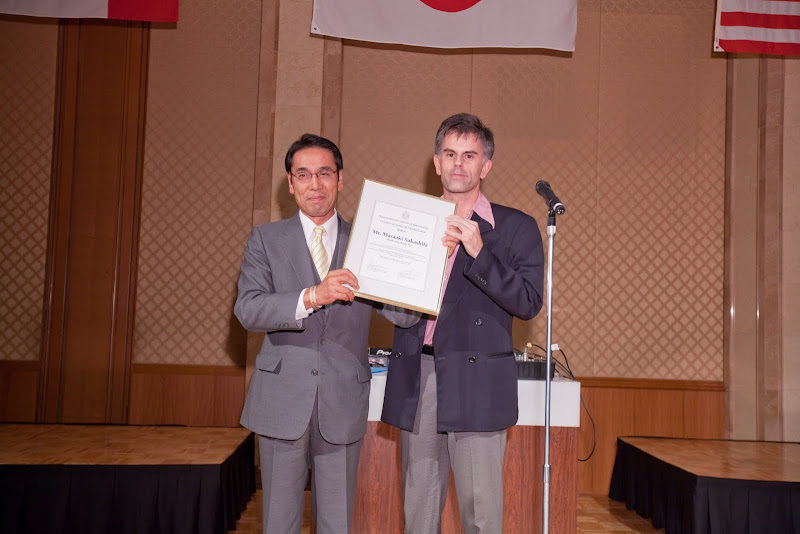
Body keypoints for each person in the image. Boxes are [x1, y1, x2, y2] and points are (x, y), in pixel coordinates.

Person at [381, 113, 545, 533]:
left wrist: (478, 251)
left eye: (469, 155)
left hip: (478, 382)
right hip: (420, 375)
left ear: (485, 166)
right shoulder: (409, 223)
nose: (458, 163)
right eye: (450, 153)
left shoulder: (515, 227)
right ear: (436, 162)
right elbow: (392, 303)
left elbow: (529, 303)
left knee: (481, 515)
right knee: (418, 513)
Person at [234, 133, 375, 533]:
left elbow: (404, 319)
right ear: (291, 183)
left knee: (337, 524)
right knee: (279, 523)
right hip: (282, 401)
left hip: (342, 401)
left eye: (324, 173)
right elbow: (249, 309)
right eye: (304, 174)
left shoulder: (367, 242)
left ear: (340, 180)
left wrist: (426, 266)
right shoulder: (265, 239)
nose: (315, 183)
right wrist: (312, 296)